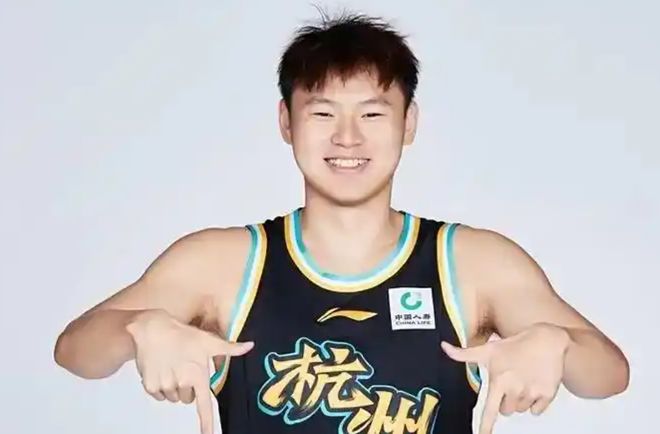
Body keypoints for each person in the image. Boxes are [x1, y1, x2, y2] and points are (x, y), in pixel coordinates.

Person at [53, 11, 629, 434]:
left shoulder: (472, 262)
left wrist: (555, 343)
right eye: (323, 113)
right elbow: (75, 351)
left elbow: (609, 375)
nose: (347, 138)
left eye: (372, 114)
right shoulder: (223, 262)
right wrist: (142, 328)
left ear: (408, 123)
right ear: (286, 121)